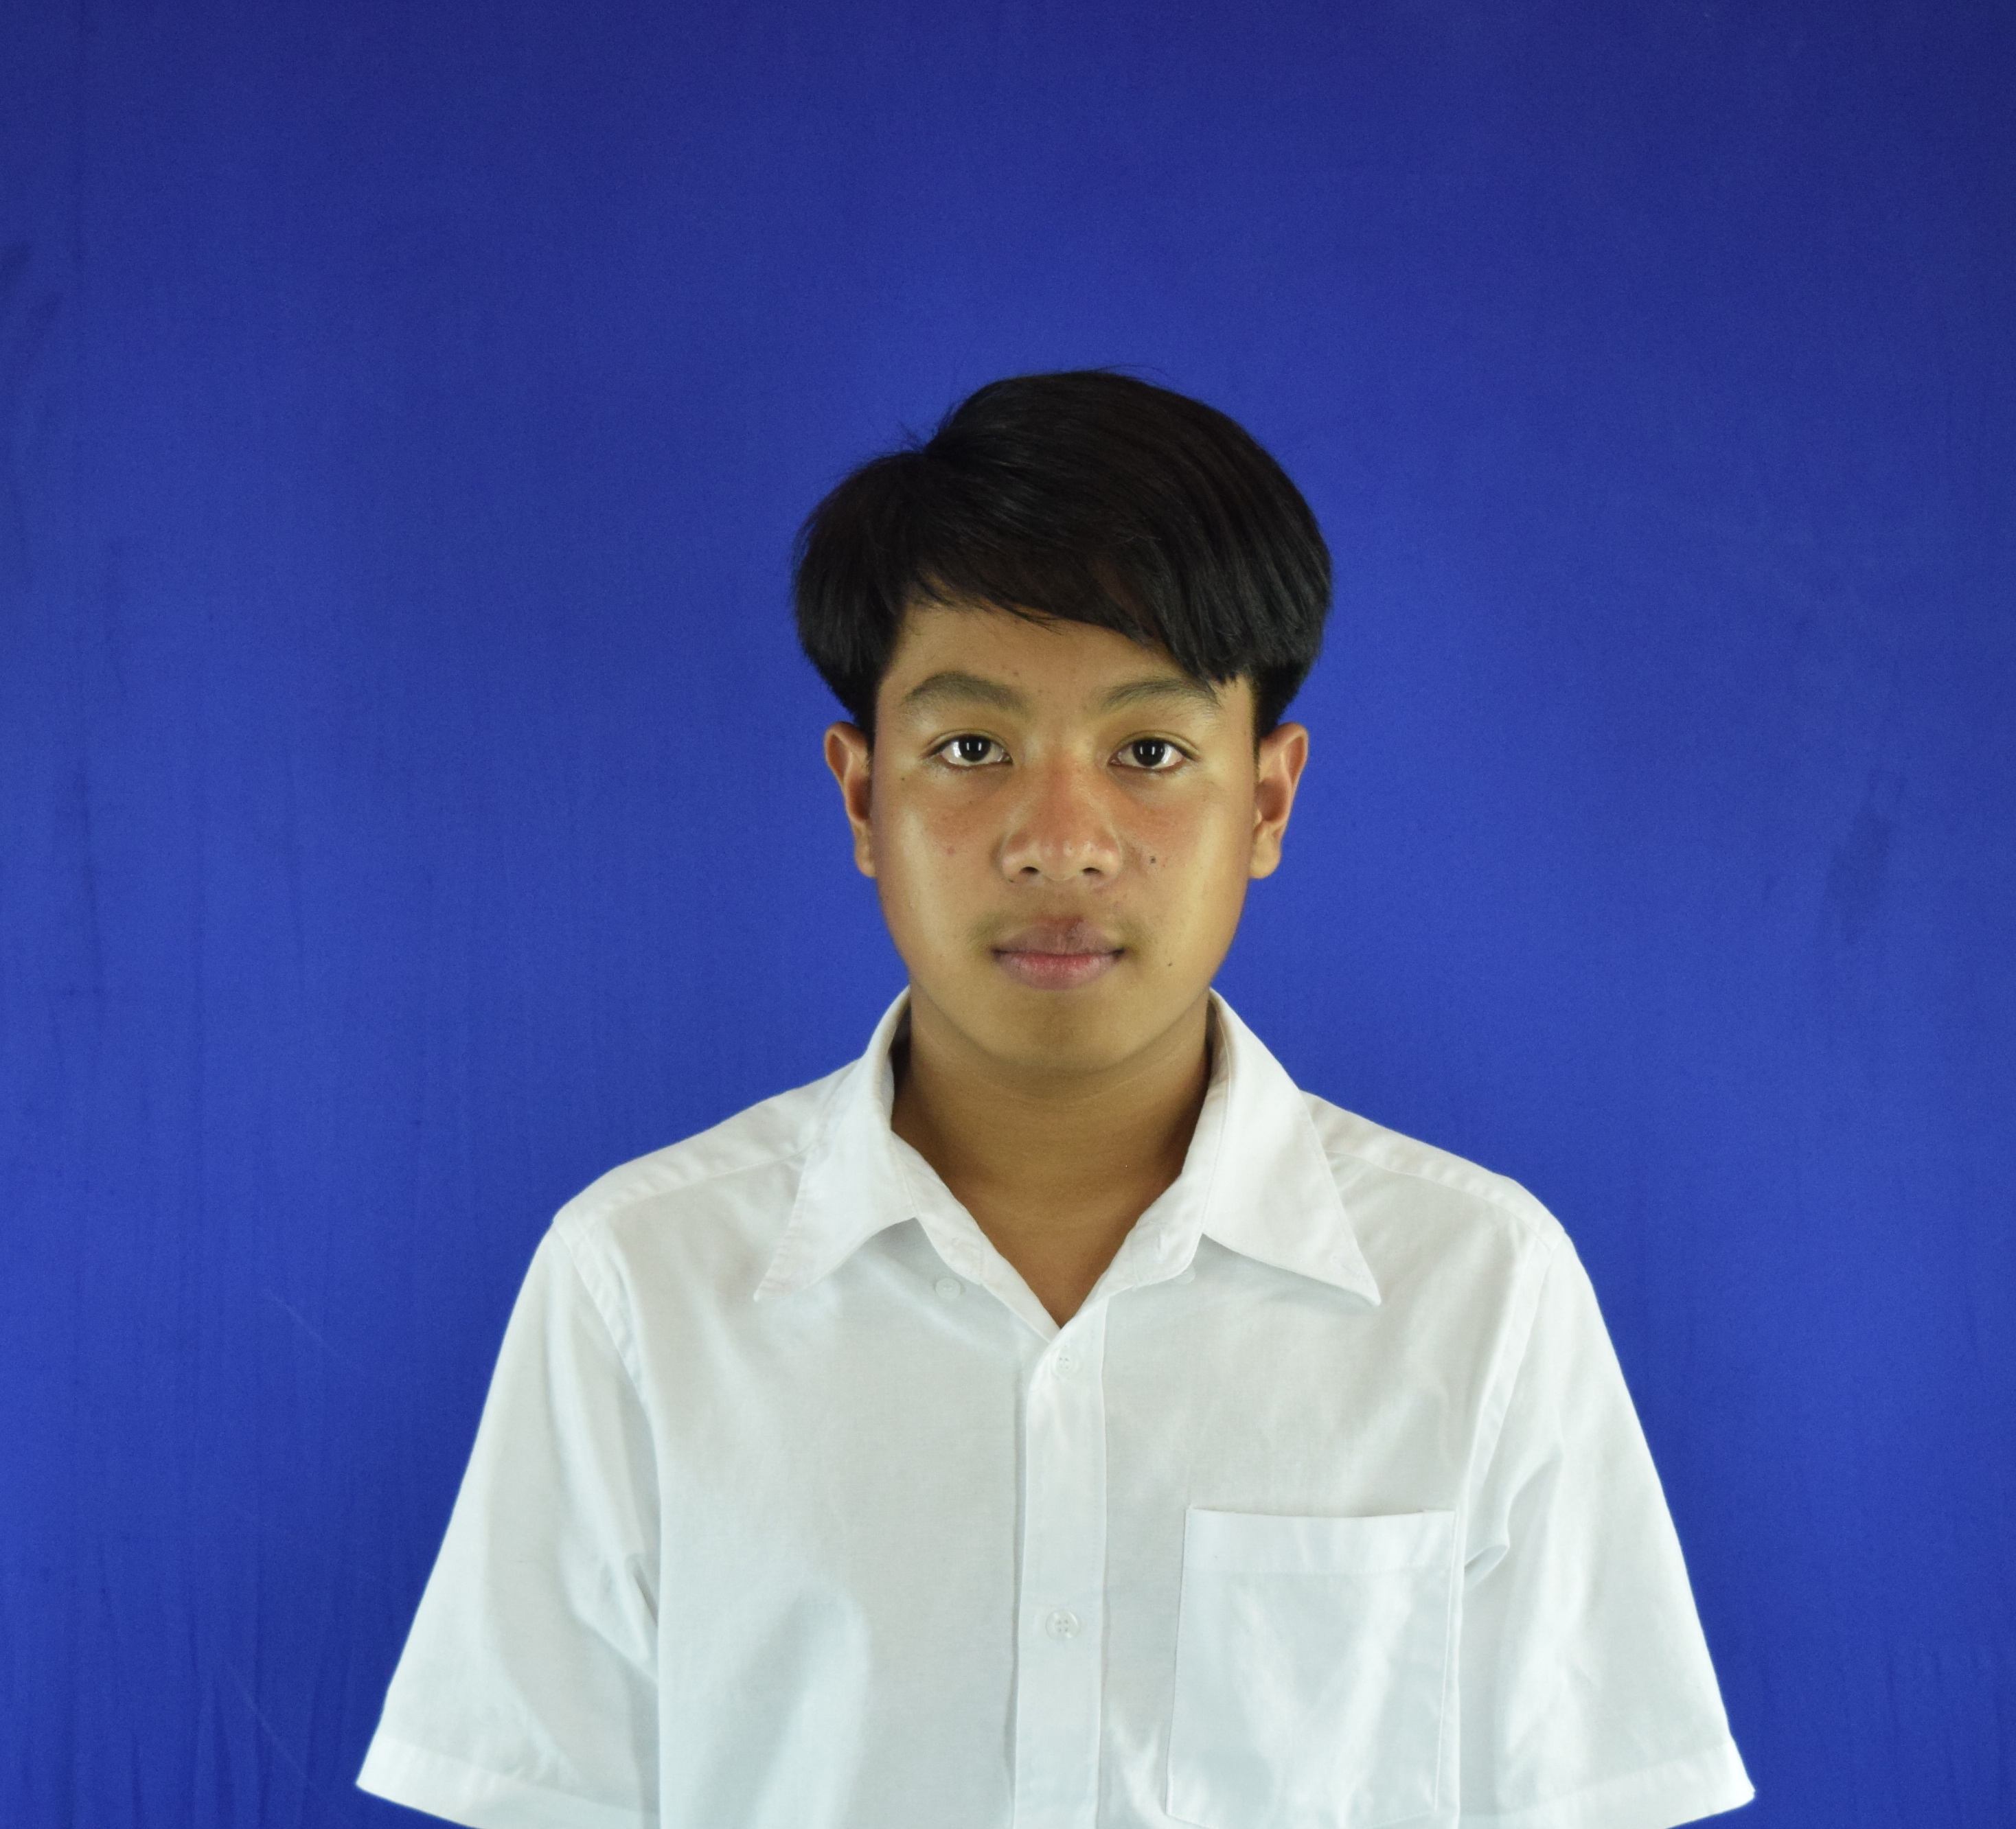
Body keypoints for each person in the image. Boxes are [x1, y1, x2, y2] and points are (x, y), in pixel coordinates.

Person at [358, 371, 1753, 1829]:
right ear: (861, 797)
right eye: (972, 751)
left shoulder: (1478, 1287)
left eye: (1149, 754)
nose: (1060, 842)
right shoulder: (641, 1281)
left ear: (1267, 801)